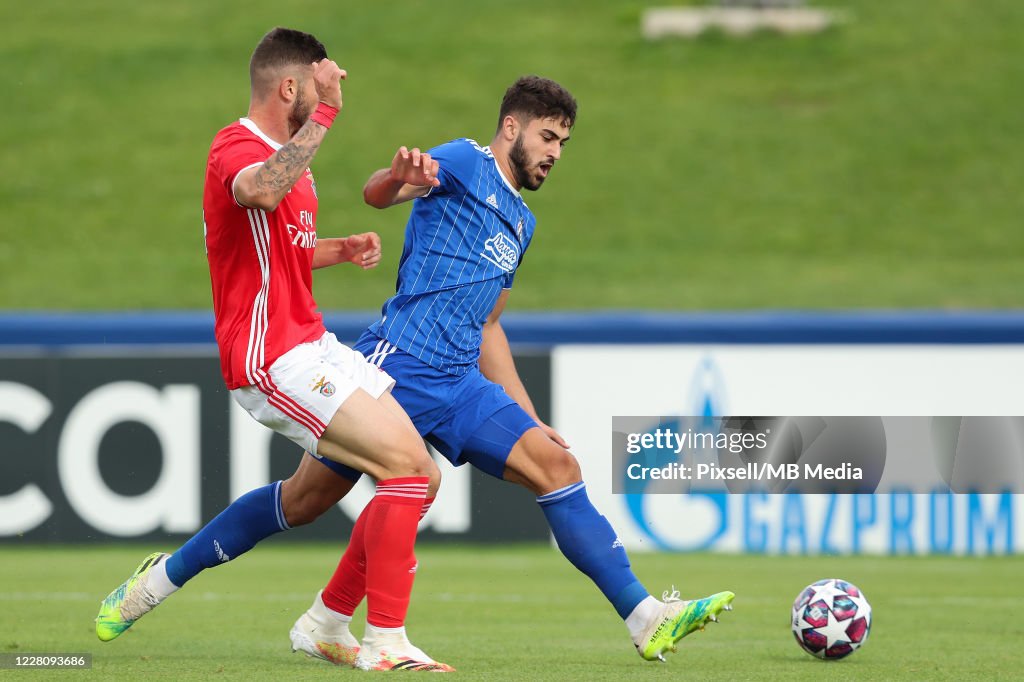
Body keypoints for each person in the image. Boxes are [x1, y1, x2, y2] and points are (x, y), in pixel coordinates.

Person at [96, 75, 734, 667]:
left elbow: (489, 326)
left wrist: (534, 417)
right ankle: (165, 581)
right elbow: (381, 192)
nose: (555, 153)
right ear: (510, 128)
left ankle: (645, 616)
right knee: (307, 499)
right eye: (547, 136)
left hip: (459, 382)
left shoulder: (523, 220)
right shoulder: (462, 159)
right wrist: (397, 177)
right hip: (397, 364)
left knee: (557, 465)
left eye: (563, 142)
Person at [93, 27, 453, 673]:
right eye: (319, 86)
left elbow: (267, 255)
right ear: (291, 87)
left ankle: (167, 582)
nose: (329, 97)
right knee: (408, 469)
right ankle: (384, 639)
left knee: (326, 497)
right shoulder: (236, 146)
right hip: (271, 359)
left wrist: (337, 251)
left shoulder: (290, 163)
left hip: (312, 344)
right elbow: (258, 189)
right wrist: (329, 115)